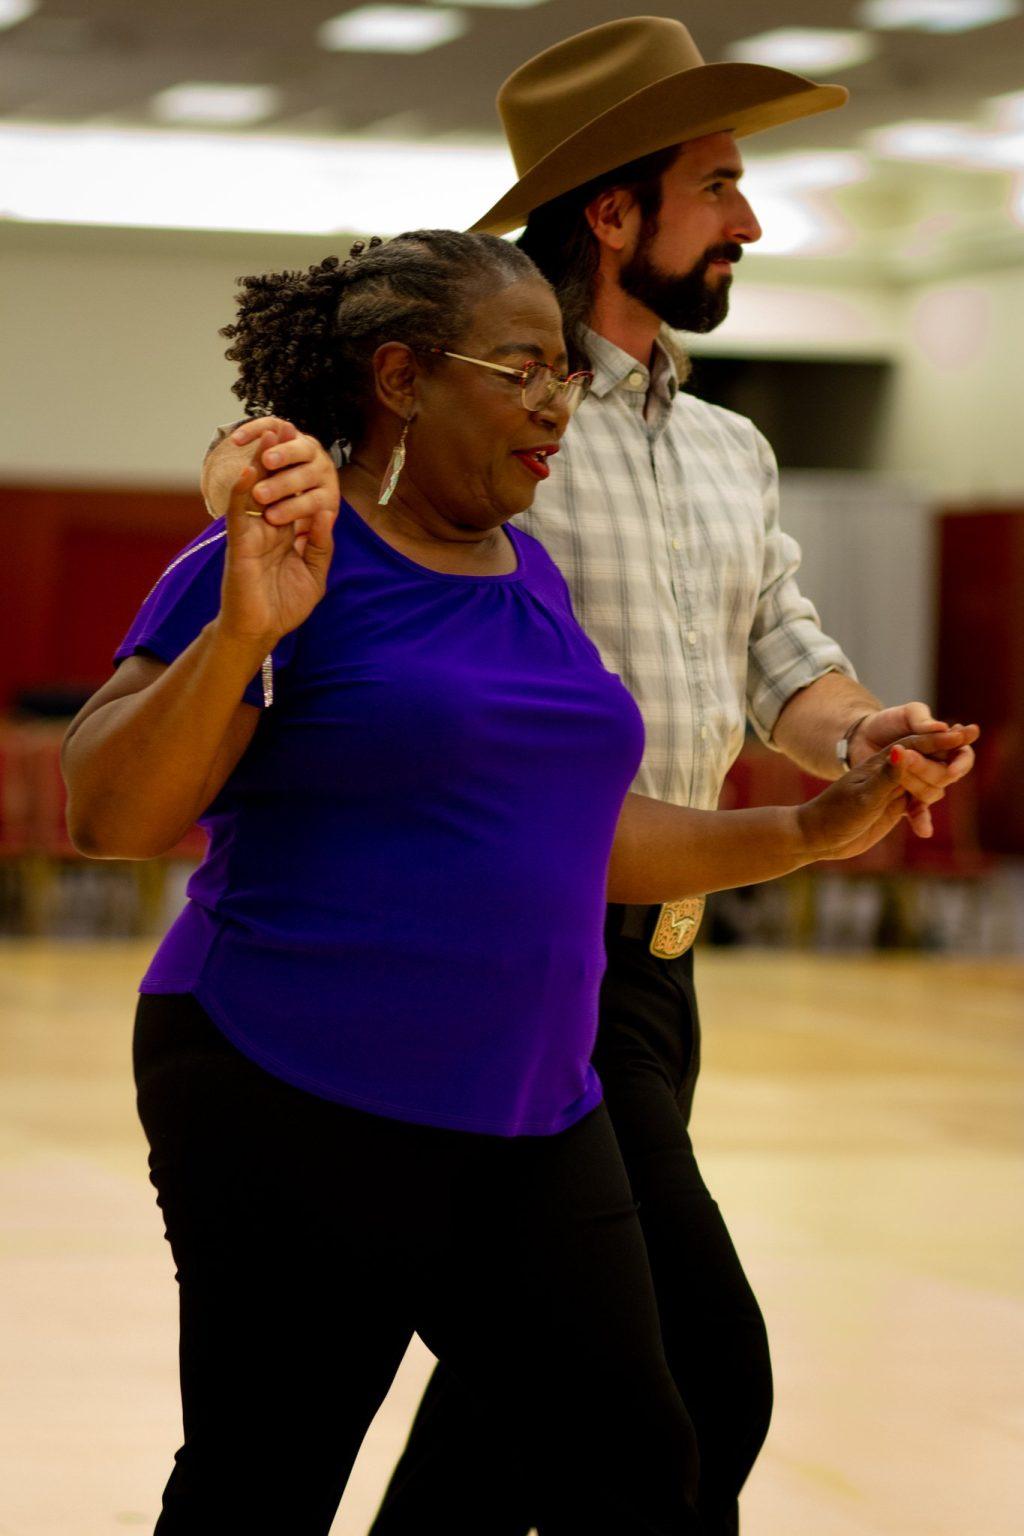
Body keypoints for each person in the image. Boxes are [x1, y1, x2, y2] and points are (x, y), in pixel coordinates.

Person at [62, 230, 974, 1536]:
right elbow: (111, 813)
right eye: (523, 369)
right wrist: (246, 630)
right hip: (292, 1092)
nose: (557, 402)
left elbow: (584, 831)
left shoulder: (529, 580)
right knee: (262, 1486)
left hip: (533, 1110)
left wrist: (812, 826)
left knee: (641, 1462)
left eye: (565, 372)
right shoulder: (272, 560)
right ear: (402, 378)